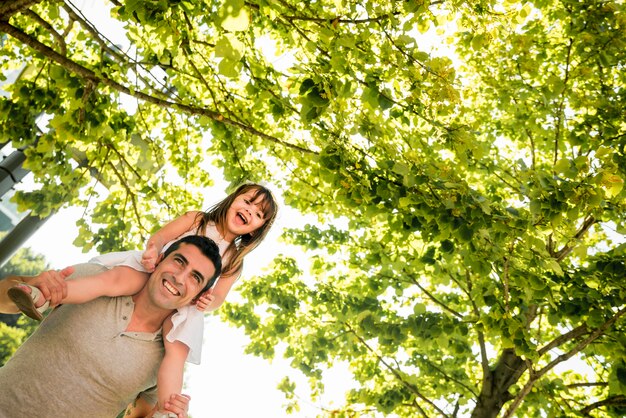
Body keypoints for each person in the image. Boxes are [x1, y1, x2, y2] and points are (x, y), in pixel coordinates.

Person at [7, 182, 278, 415]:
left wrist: (209, 300)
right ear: (233, 200)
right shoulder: (197, 220)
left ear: (256, 229)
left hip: (184, 306)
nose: (249, 211)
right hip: (151, 269)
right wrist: (153, 251)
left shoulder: (234, 260)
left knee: (176, 351)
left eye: (257, 214)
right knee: (112, 280)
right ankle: (45, 294)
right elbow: (161, 237)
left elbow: (219, 295)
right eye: (247, 202)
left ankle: (169, 408)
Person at [0, 235, 222, 418]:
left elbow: (136, 416)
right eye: (179, 261)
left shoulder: (166, 363)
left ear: (197, 299)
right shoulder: (94, 278)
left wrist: (164, 413)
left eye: (196, 277)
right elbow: (5, 297)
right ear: (160, 259)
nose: (180, 278)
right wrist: (35, 284)